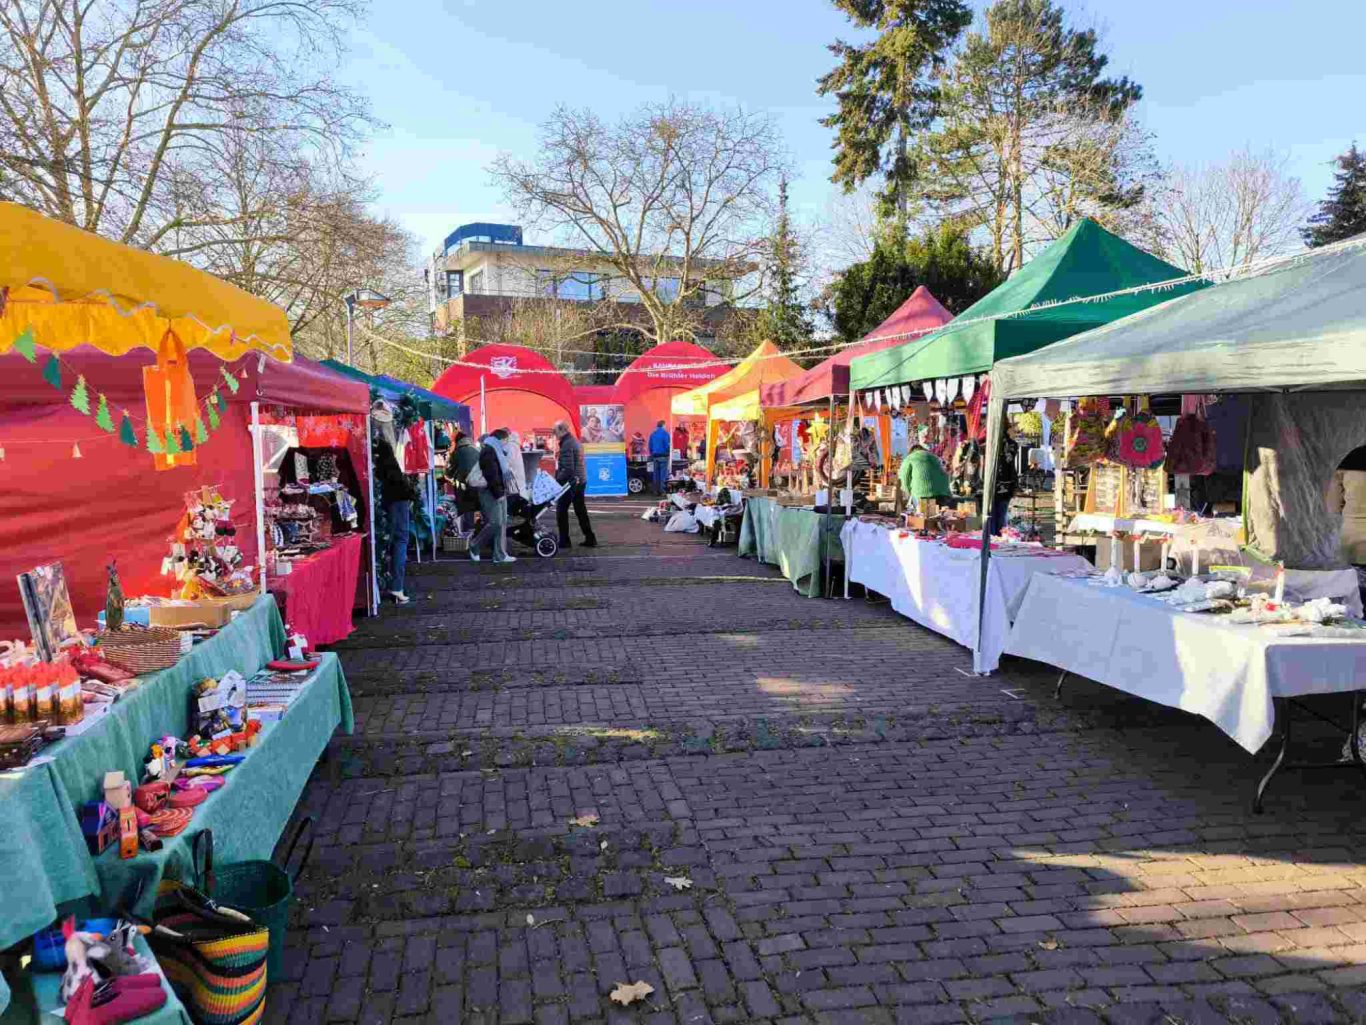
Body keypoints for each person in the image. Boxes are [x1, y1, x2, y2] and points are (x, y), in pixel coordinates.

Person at [374, 435, 418, 603]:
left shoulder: (377, 457)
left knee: (394, 541)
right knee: (400, 540)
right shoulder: (386, 452)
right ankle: (397, 587)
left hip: (389, 500)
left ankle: (394, 585)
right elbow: (398, 480)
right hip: (398, 499)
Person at [469, 430, 515, 563]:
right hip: (490, 491)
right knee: (496, 522)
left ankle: (500, 555)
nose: (507, 443)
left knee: (502, 523)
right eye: (506, 440)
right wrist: (499, 493)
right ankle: (474, 546)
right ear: (500, 439)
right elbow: (491, 475)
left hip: (498, 489)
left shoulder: (495, 450)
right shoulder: (489, 451)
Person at [554, 420, 597, 548]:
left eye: (555, 431)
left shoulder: (567, 444)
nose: (554, 434)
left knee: (561, 510)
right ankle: (590, 537)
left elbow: (568, 469)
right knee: (580, 510)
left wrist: (556, 480)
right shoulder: (574, 441)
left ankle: (564, 541)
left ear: (562, 430)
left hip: (572, 483)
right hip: (580, 480)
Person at [898, 443, 952, 513]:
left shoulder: (910, 458)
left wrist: (909, 492)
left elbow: (904, 480)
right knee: (939, 518)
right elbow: (945, 473)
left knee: (924, 518)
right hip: (943, 493)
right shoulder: (934, 457)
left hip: (923, 494)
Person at [648, 419, 671, 494]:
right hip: (663, 456)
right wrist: (668, 452)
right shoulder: (665, 433)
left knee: (656, 474)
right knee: (663, 474)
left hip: (655, 456)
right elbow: (667, 445)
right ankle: (662, 490)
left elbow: (650, 446)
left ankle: (655, 490)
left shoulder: (653, 434)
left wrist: (652, 453)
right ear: (663, 425)